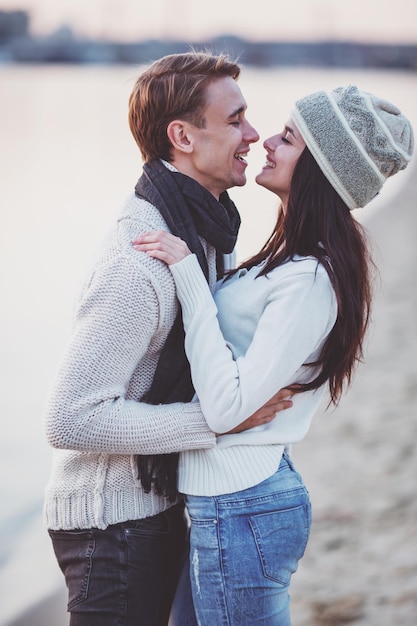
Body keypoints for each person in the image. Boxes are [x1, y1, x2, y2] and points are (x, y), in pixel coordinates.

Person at [133, 84, 414, 625]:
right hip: (229, 504)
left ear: (322, 170)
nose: (266, 142)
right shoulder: (286, 259)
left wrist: (189, 277)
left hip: (243, 508)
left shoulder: (310, 279)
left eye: (288, 139)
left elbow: (224, 408)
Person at [42, 51, 293, 626]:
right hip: (110, 525)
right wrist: (218, 419)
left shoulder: (204, 229)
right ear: (182, 135)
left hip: (161, 503)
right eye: (235, 120)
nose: (252, 134)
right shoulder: (139, 260)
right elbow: (69, 419)